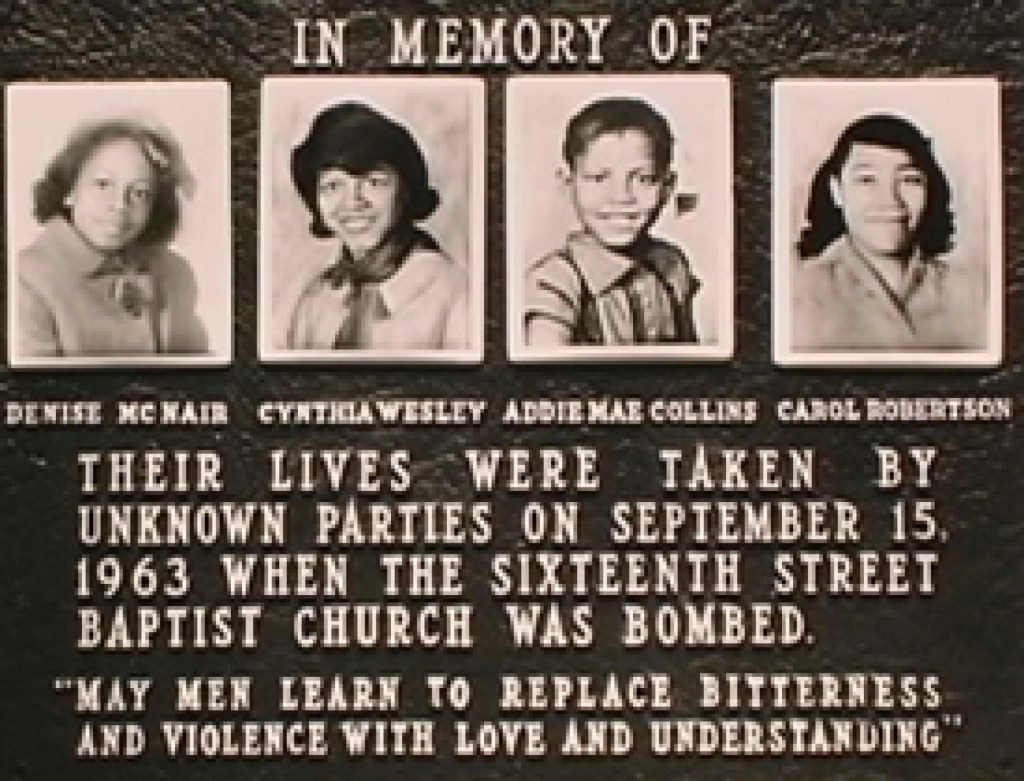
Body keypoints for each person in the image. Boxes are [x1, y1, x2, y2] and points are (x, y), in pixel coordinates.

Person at [273, 101, 468, 351]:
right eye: (333, 186)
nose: (353, 202)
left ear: (405, 192)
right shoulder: (316, 298)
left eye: (374, 182)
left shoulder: (453, 292)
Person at [791, 113, 985, 351]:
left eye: (909, 179)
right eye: (866, 180)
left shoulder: (972, 291)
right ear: (836, 191)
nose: (889, 201)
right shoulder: (798, 292)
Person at [17, 117, 208, 359]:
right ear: (68, 190)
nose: (119, 205)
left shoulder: (176, 273)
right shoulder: (25, 280)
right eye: (103, 184)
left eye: (139, 192)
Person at [523, 97, 699, 348]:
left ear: (668, 186)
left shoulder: (671, 266)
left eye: (643, 179)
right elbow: (542, 373)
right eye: (598, 178)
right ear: (567, 183)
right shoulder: (556, 281)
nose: (621, 197)